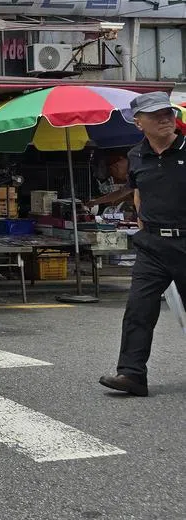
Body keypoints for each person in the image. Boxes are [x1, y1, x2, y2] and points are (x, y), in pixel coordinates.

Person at [100, 92, 186, 398]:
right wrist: (142, 219)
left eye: (168, 113)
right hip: (152, 245)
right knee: (138, 309)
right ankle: (132, 374)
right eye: (155, 115)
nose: (165, 118)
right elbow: (137, 192)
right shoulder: (136, 155)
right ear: (139, 123)